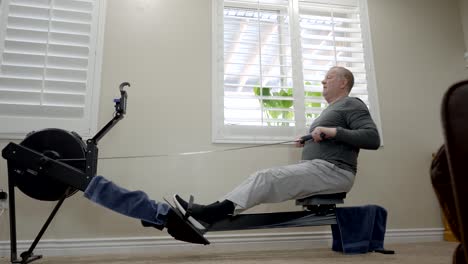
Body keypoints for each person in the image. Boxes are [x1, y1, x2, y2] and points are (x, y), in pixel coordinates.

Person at [174, 66, 381, 230]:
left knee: (265, 177)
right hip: (322, 168)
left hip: (334, 171)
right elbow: (331, 137)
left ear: (344, 82)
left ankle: (212, 212)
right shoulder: (332, 109)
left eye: (329, 77)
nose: (323, 81)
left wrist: (332, 131)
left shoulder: (352, 104)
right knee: (261, 178)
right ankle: (213, 210)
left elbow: (372, 138)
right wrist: (309, 138)